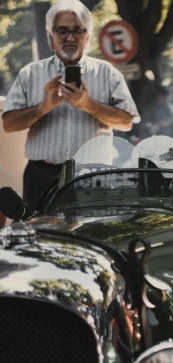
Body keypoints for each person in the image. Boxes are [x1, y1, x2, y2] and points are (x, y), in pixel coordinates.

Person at [2, 0, 140, 212]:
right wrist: (43, 107)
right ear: (51, 36)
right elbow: (9, 124)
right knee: (42, 237)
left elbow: (126, 122)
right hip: (42, 175)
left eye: (78, 31)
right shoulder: (30, 74)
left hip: (94, 176)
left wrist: (88, 104)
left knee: (91, 237)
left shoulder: (108, 73)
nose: (70, 37)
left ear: (88, 36)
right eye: (62, 31)